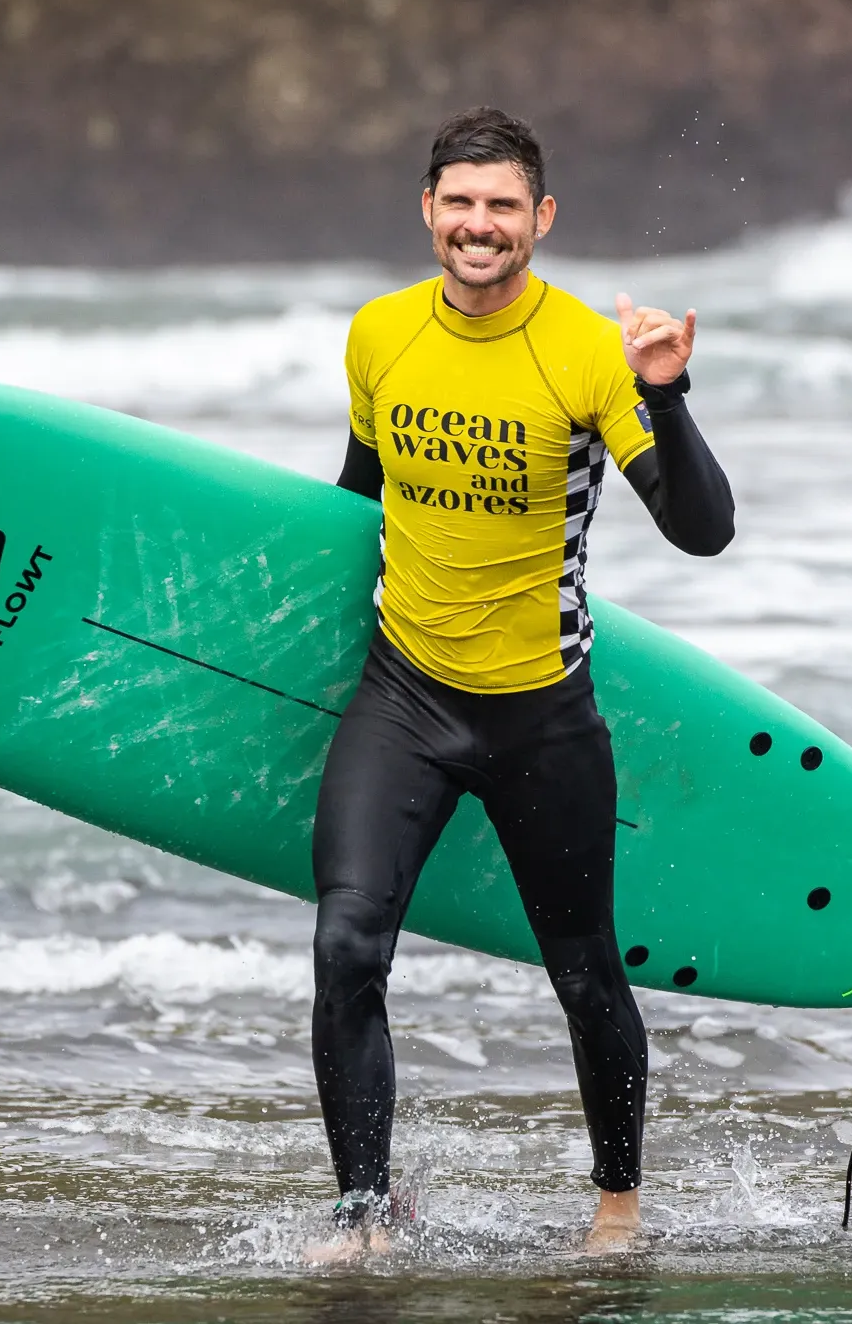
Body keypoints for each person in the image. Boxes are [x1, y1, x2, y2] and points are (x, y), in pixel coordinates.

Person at [310, 106, 735, 1257]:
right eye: (460, 201)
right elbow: (356, 499)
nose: (479, 224)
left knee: (585, 969)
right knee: (347, 944)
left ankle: (617, 1205)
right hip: (403, 695)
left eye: (502, 204)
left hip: (542, 712)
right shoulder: (380, 333)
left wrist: (666, 393)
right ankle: (363, 1211)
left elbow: (702, 530)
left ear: (540, 216)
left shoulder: (590, 352)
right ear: (428, 209)